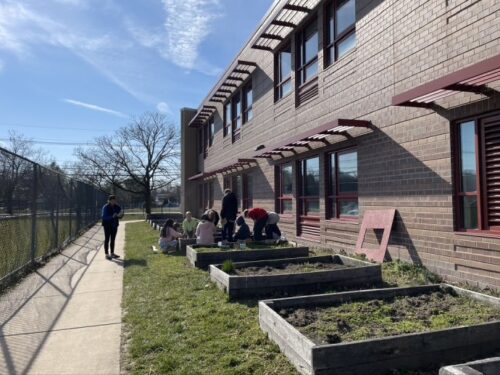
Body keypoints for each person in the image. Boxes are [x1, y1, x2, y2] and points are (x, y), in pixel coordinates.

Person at [101, 195, 123, 260]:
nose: (114, 201)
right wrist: (112, 217)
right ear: (109, 200)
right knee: (107, 239)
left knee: (113, 239)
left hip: (114, 225)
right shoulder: (105, 207)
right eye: (113, 200)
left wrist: (120, 215)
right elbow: (104, 217)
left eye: (115, 200)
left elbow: (121, 214)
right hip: (107, 225)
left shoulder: (117, 207)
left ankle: (112, 253)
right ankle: (107, 254)